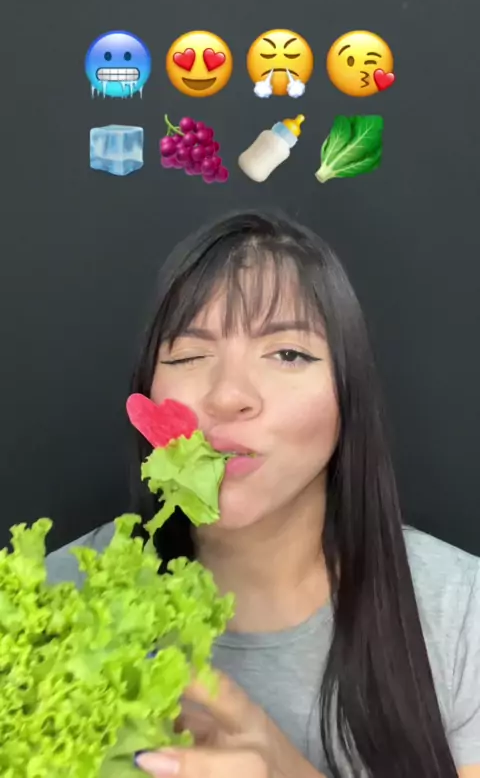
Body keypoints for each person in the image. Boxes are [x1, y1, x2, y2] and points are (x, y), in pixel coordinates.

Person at [46, 210, 480, 778]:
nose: (228, 395)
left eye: (288, 354)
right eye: (188, 355)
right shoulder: (55, 602)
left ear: (348, 393)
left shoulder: (462, 612)